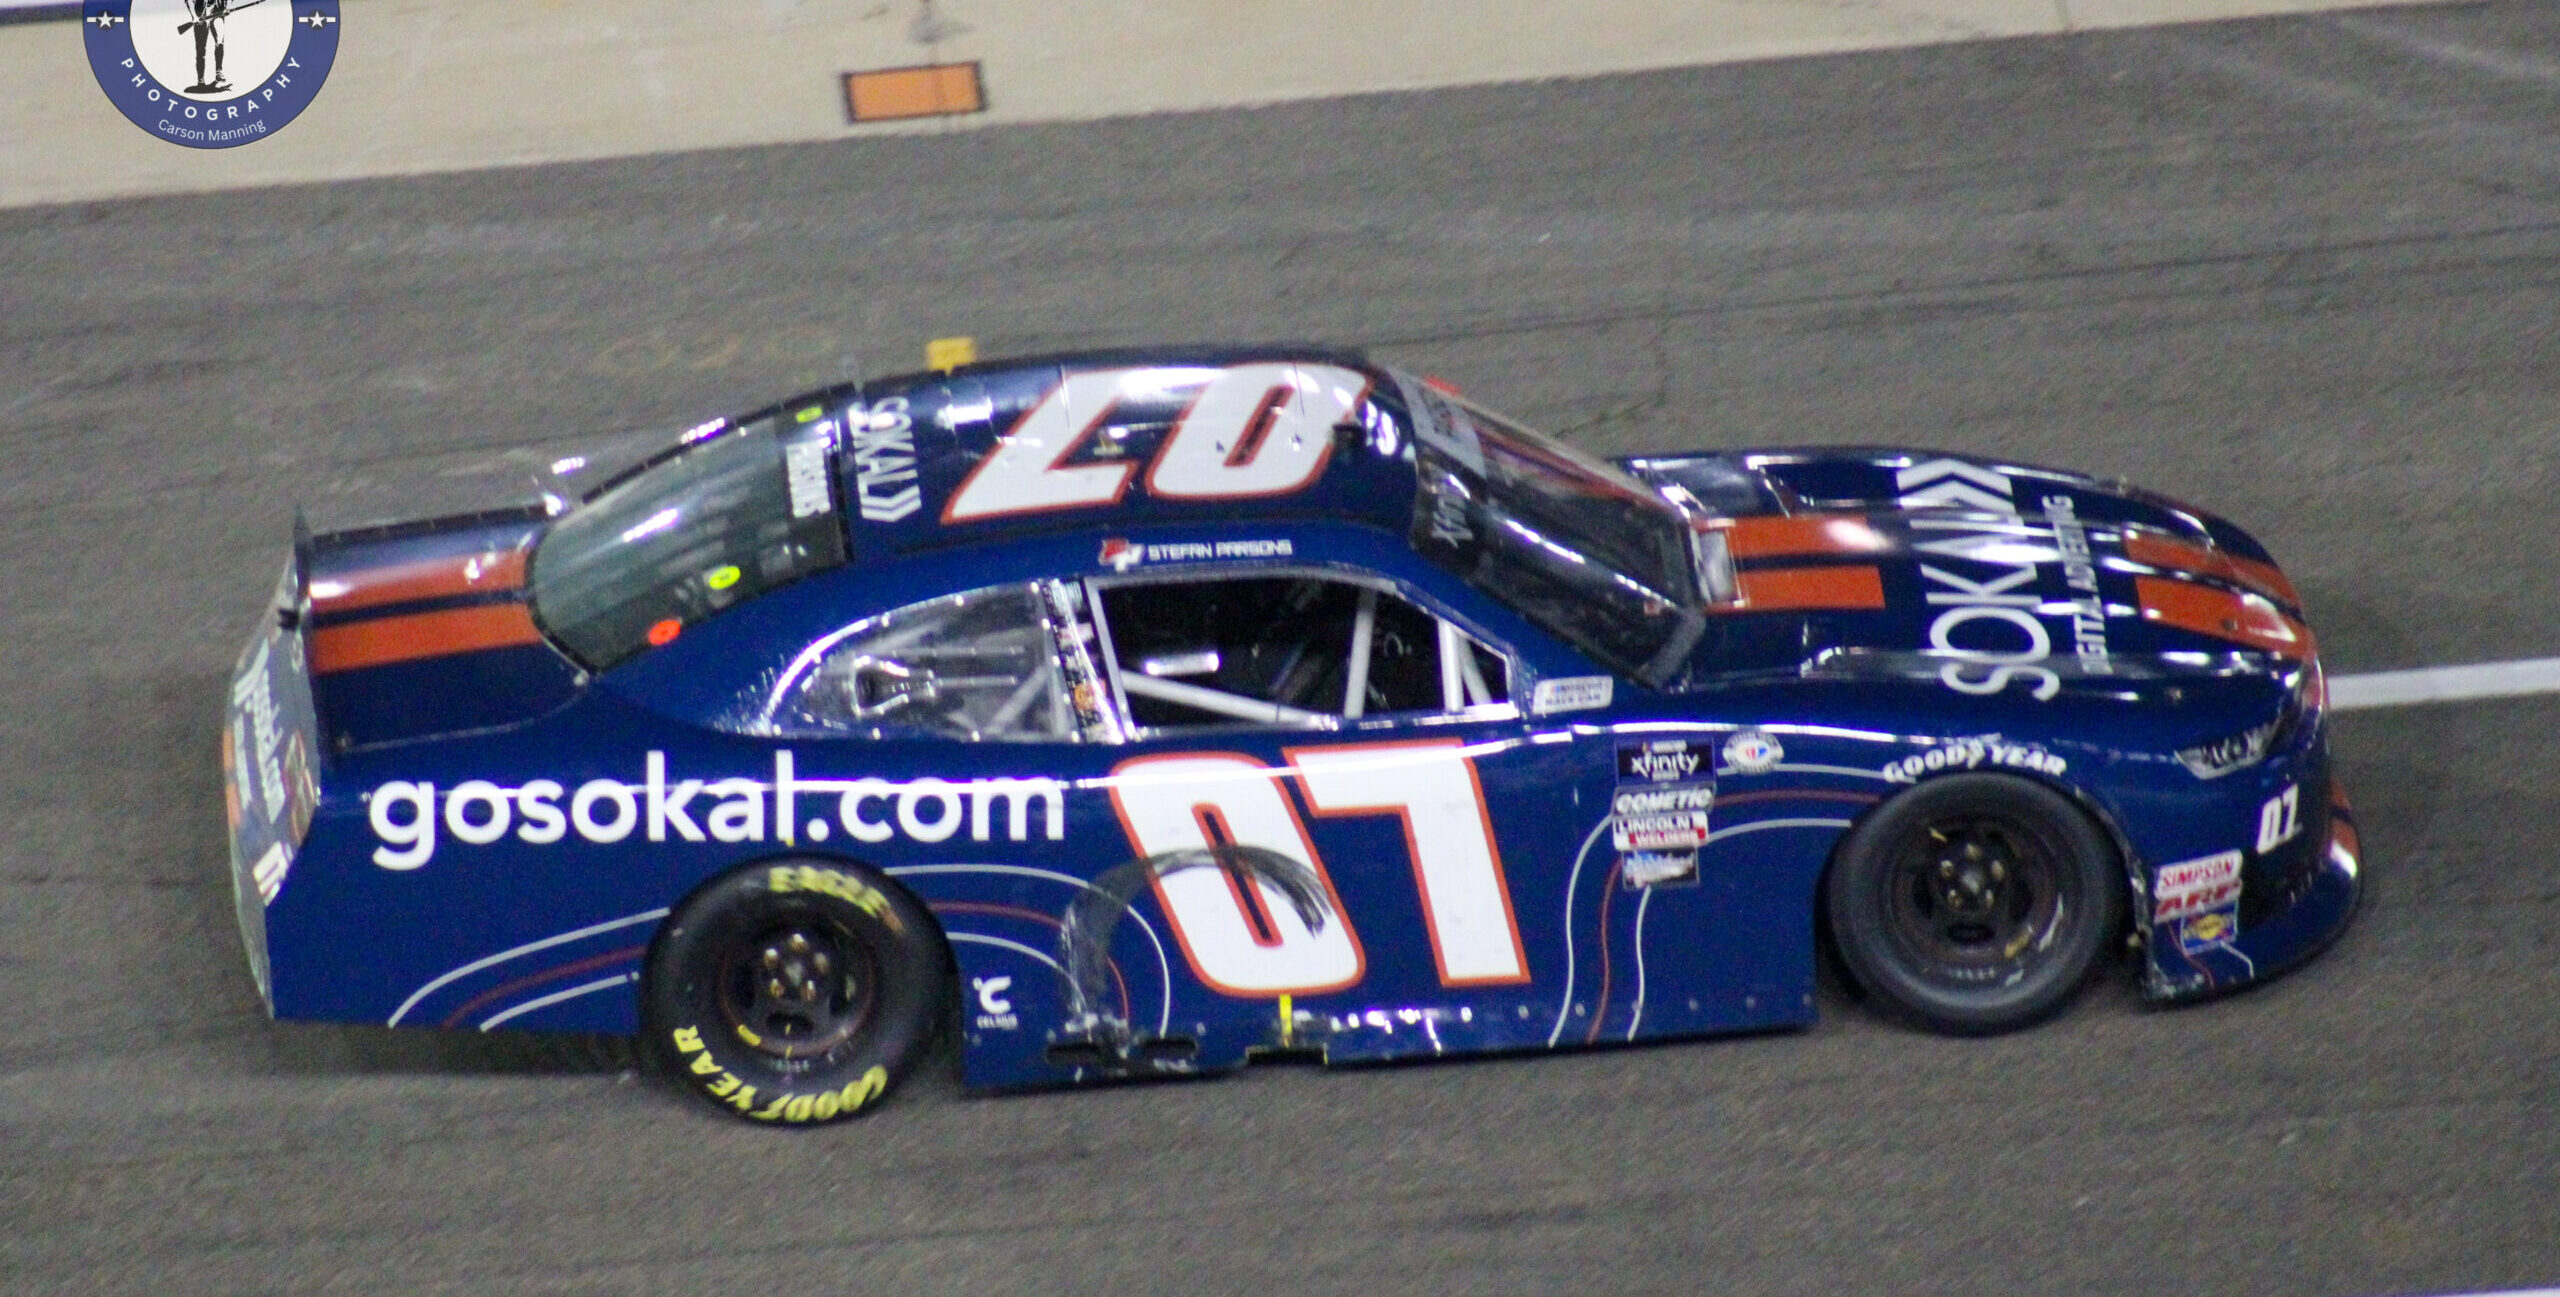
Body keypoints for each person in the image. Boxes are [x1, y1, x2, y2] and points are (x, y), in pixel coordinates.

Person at [182, 0, 229, 94]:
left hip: (217, 13)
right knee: (200, 50)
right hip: (200, 16)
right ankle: (201, 79)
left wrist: (227, 8)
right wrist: (194, 17)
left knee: (220, 42)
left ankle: (219, 72)